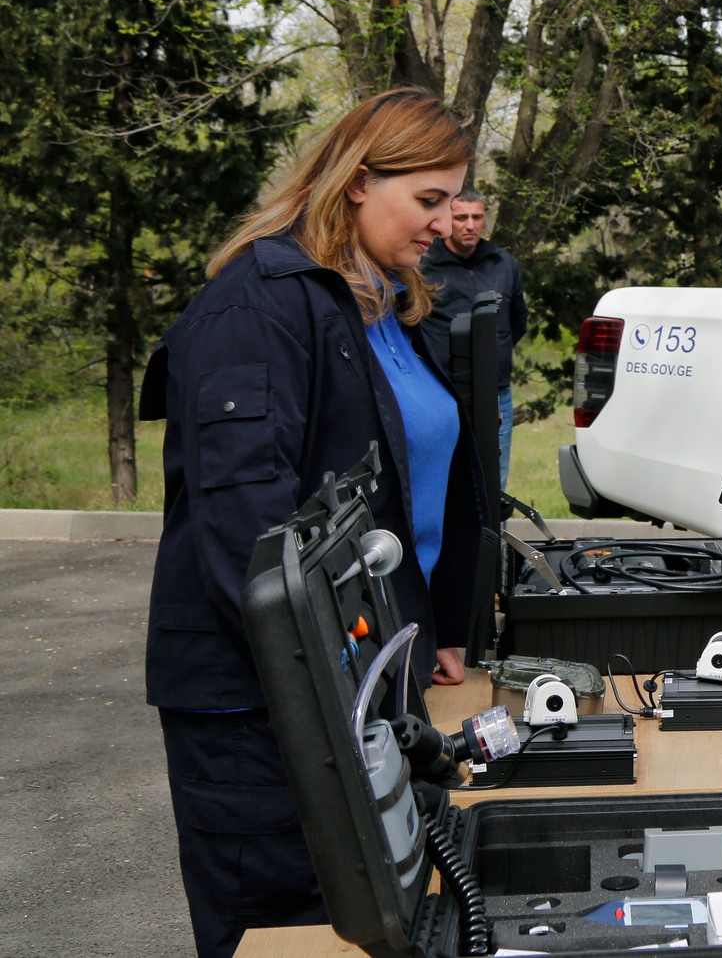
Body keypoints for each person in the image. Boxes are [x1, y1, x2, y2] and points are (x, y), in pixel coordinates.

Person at [141, 89, 495, 958]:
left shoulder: (374, 302)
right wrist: (341, 703)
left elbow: (402, 485)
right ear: (356, 181)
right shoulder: (256, 308)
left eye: (455, 199)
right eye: (428, 198)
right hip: (267, 711)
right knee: (289, 933)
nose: (446, 221)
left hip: (352, 691)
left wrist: (429, 637)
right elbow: (247, 540)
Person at [418, 185, 528, 485]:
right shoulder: (424, 264)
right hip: (442, 392)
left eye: (477, 217)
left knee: (493, 482)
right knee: (444, 480)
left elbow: (517, 321)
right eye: (461, 217)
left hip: (495, 394)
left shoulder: (503, 263)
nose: (470, 225)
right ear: (448, 219)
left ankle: (492, 520)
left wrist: (493, 354)